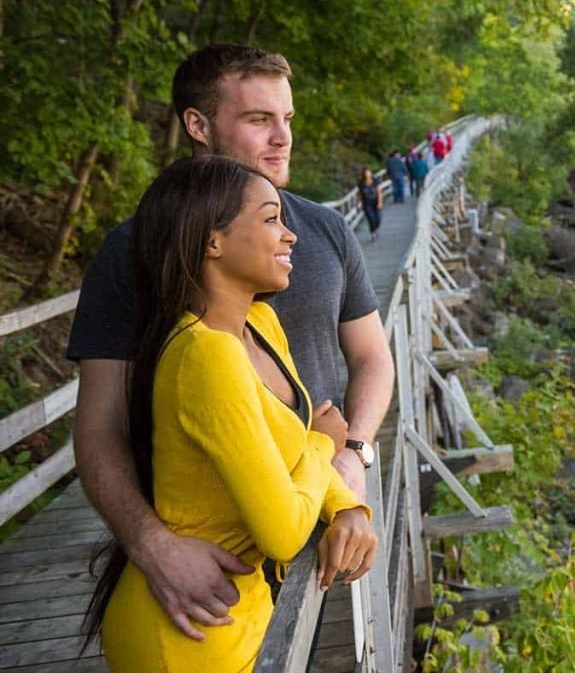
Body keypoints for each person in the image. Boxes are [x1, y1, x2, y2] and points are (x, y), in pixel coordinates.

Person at [68, 44, 393, 642]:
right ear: (198, 125)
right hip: (208, 575)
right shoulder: (133, 251)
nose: (282, 137)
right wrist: (151, 545)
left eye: (287, 119)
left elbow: (371, 358)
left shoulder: (322, 230)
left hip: (331, 533)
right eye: (257, 119)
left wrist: (356, 456)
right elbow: (98, 427)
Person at [358, 168, 382, 241]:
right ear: (364, 174)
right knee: (371, 219)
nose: (368, 174)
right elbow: (359, 194)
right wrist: (358, 204)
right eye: (366, 173)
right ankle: (373, 233)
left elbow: (379, 192)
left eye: (369, 173)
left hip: (375, 202)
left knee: (378, 219)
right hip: (366, 204)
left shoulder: (375, 181)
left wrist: (380, 202)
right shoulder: (361, 183)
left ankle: (375, 229)